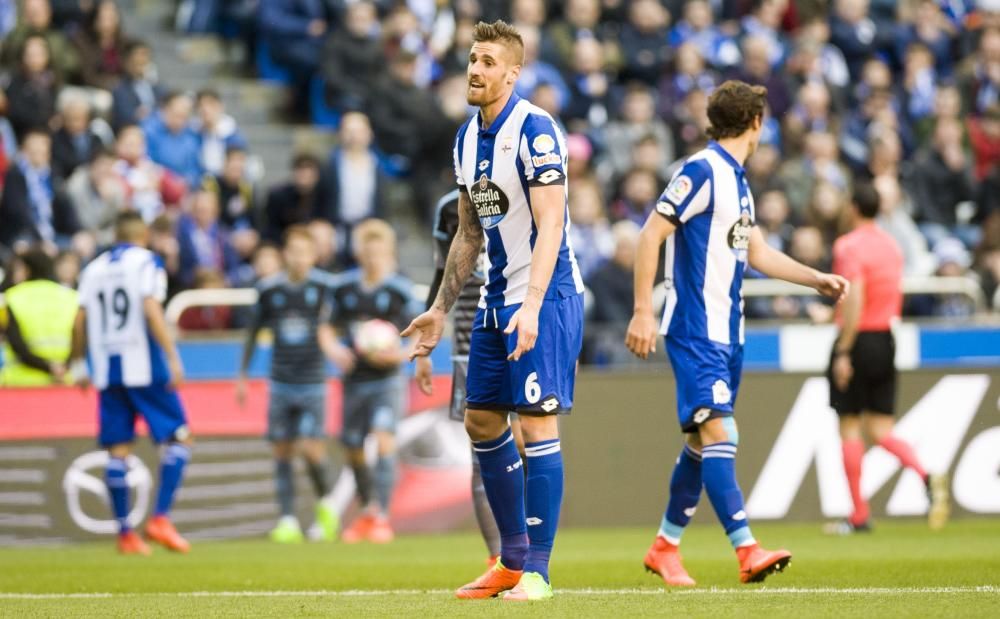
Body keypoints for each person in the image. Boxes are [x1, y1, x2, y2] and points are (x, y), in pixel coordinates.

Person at [625, 80, 849, 587]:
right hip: (696, 328)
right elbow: (650, 234)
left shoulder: (738, 181)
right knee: (719, 432)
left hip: (729, 331)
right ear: (756, 123)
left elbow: (759, 254)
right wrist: (643, 311)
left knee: (705, 443)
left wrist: (815, 279)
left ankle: (665, 546)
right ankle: (746, 550)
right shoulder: (702, 170)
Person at [403, 20, 585, 602]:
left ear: (512, 72)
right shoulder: (465, 140)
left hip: (546, 296)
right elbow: (469, 232)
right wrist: (438, 308)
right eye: (471, 60)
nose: (474, 69)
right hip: (494, 297)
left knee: (536, 425)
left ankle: (539, 571)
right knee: (481, 422)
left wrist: (531, 304)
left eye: (487, 61)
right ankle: (508, 561)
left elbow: (553, 220)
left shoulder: (535, 129)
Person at [825, 183, 950, 535]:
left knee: (849, 425)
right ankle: (926, 474)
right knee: (881, 430)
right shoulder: (891, 246)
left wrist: (844, 350)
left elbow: (856, 297)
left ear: (853, 207)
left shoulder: (847, 246)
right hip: (885, 338)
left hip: (858, 339)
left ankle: (859, 515)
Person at [69, 212, 194, 555]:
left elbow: (79, 320)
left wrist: (79, 363)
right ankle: (160, 518)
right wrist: (172, 356)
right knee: (178, 437)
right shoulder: (146, 262)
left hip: (107, 370)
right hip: (144, 365)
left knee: (118, 450)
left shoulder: (92, 268)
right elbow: (150, 307)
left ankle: (126, 534)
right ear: (143, 235)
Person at [414, 189, 524, 566]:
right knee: (483, 451)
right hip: (469, 340)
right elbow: (441, 273)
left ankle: (530, 546)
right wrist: (426, 348)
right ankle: (498, 557)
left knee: (529, 441)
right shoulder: (449, 208)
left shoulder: (528, 189)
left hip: (523, 331)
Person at [237, 225, 341, 544]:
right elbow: (253, 331)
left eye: (304, 252)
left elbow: (336, 326)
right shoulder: (270, 289)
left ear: (313, 255)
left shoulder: (326, 287)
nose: (298, 258)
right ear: (285, 254)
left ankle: (326, 505)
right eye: (293, 251)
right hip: (281, 381)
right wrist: (242, 374)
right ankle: (287, 520)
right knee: (282, 450)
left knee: (311, 449)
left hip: (312, 380)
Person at [327, 219, 420, 544]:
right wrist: (333, 350)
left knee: (383, 440)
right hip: (354, 379)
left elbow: (421, 332)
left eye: (379, 252)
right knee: (352, 448)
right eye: (367, 252)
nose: (373, 258)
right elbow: (326, 327)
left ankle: (381, 516)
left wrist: (400, 355)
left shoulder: (400, 290)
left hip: (387, 380)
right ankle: (367, 510)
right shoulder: (344, 289)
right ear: (359, 253)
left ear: (388, 252)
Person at [0, 247, 77, 386]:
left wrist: (48, 367)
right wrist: (62, 368)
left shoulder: (10, 298)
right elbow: (80, 338)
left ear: (27, 270)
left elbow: (17, 344)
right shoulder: (72, 297)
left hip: (20, 384)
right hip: (63, 382)